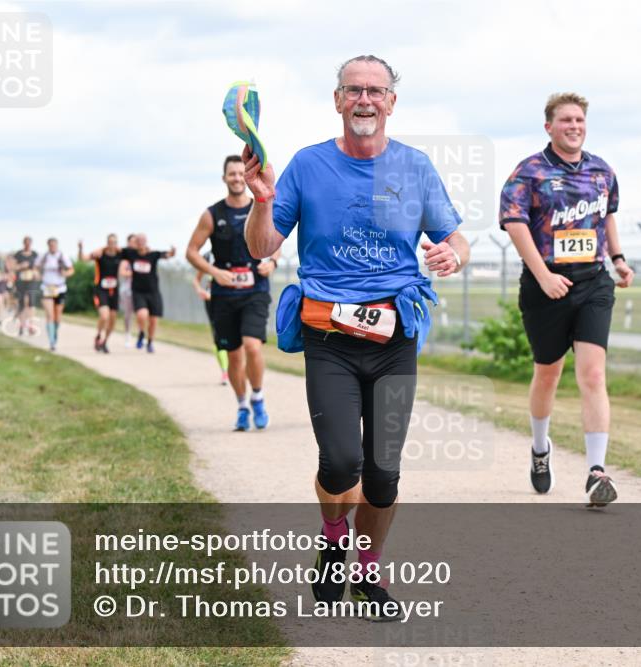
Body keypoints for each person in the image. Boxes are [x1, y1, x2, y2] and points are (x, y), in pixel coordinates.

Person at [243, 54, 469, 619]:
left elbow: (457, 240)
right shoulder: (308, 164)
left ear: (392, 100)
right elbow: (261, 248)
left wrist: (451, 255)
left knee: (384, 472)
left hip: (395, 338)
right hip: (330, 338)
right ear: (338, 99)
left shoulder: (415, 167)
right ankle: (331, 538)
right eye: (353, 90)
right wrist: (262, 201)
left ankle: (367, 572)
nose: (364, 100)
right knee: (342, 462)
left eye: (376, 90)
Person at [499, 92, 635, 505]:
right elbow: (514, 224)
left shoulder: (601, 171)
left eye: (579, 120)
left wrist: (618, 258)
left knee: (593, 374)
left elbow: (606, 214)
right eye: (565, 121)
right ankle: (540, 449)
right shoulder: (529, 172)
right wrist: (544, 277)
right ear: (549, 127)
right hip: (546, 286)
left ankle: (596, 472)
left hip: (593, 281)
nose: (573, 126)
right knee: (548, 374)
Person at [186, 155, 280, 431]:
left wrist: (272, 262)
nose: (237, 178)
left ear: (246, 176)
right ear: (224, 178)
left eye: (241, 173)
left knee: (252, 346)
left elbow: (276, 239)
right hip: (224, 295)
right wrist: (214, 273)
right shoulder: (212, 214)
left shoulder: (259, 207)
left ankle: (258, 397)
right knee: (235, 355)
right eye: (232, 174)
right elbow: (191, 251)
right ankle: (242, 405)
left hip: (255, 290)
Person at [120, 234, 175, 353]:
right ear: (135, 242)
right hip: (138, 291)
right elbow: (114, 251)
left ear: (146, 241)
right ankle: (141, 332)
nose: (140, 243)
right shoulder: (130, 254)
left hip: (153, 292)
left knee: (153, 320)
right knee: (141, 315)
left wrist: (173, 251)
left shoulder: (153, 254)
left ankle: (150, 342)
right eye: (138, 241)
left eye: (143, 240)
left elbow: (168, 255)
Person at [79, 234, 124, 353]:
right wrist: (80, 248)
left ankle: (105, 342)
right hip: (101, 290)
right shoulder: (100, 254)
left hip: (114, 291)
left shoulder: (120, 254)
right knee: (104, 316)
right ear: (107, 243)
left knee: (112, 320)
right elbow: (83, 259)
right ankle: (98, 335)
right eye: (110, 242)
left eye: (114, 242)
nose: (112, 244)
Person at [192, 262, 230, 385]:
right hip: (213, 300)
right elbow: (196, 280)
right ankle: (225, 372)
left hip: (234, 298)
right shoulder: (208, 257)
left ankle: (235, 368)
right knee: (219, 337)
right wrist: (200, 291)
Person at [38, 238, 75, 351]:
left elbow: (71, 270)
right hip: (47, 288)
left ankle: (55, 333)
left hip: (60, 288)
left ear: (57, 245)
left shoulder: (62, 257)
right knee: (50, 315)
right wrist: (37, 274)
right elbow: (35, 268)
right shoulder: (43, 257)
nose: (52, 247)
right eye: (51, 245)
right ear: (48, 246)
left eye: (54, 245)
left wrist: (66, 273)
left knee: (57, 317)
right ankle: (52, 342)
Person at [13, 236, 41, 336]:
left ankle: (31, 325)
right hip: (21, 281)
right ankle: (21, 325)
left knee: (31, 302)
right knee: (22, 303)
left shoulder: (35, 254)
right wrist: (21, 266)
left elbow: (38, 267)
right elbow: (13, 267)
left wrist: (36, 272)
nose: (27, 244)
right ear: (23, 243)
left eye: (29, 243)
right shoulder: (18, 254)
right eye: (26, 243)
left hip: (31, 281)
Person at [120, 234, 137, 347]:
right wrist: (135, 272)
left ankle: (141, 334)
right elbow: (122, 272)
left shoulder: (141, 256)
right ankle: (127, 335)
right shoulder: (125, 259)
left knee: (141, 313)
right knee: (128, 314)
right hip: (128, 290)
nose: (134, 244)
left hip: (139, 289)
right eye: (132, 241)